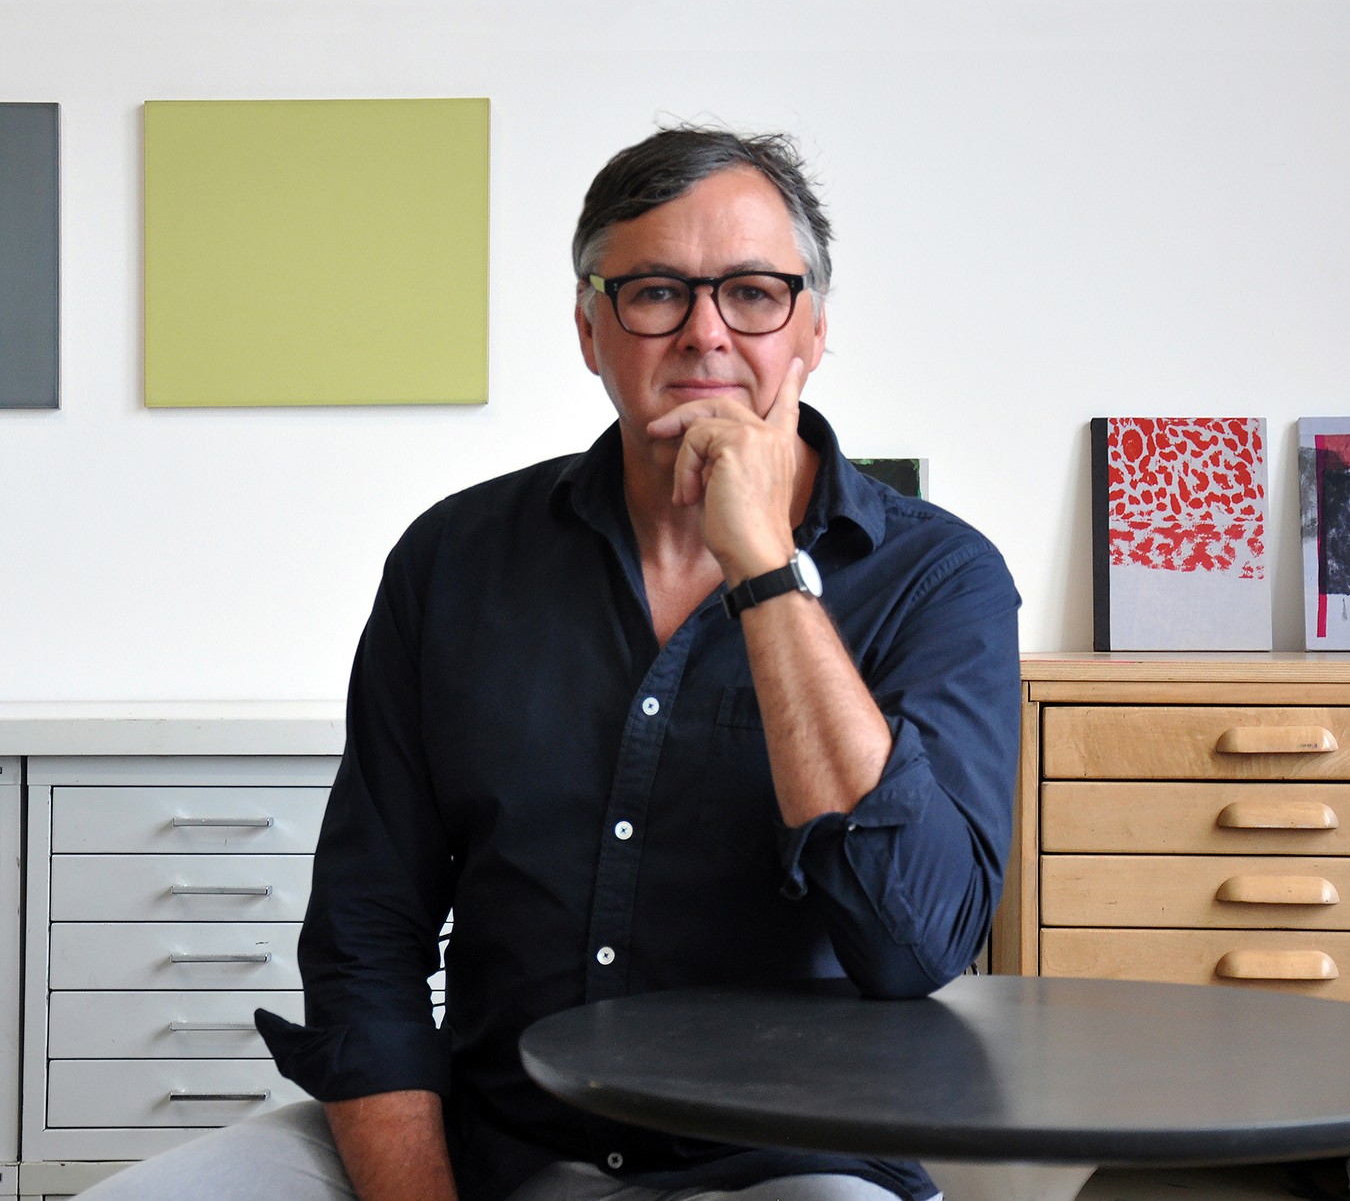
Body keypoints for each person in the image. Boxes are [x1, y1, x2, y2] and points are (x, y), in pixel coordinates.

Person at [80, 126, 1021, 1201]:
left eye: (754, 293)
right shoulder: (455, 559)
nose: (706, 333)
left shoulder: (938, 580)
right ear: (589, 329)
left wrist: (764, 567)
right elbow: (365, 934)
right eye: (656, 292)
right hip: (485, 1145)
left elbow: (913, 944)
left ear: (812, 327)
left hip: (788, 1163)